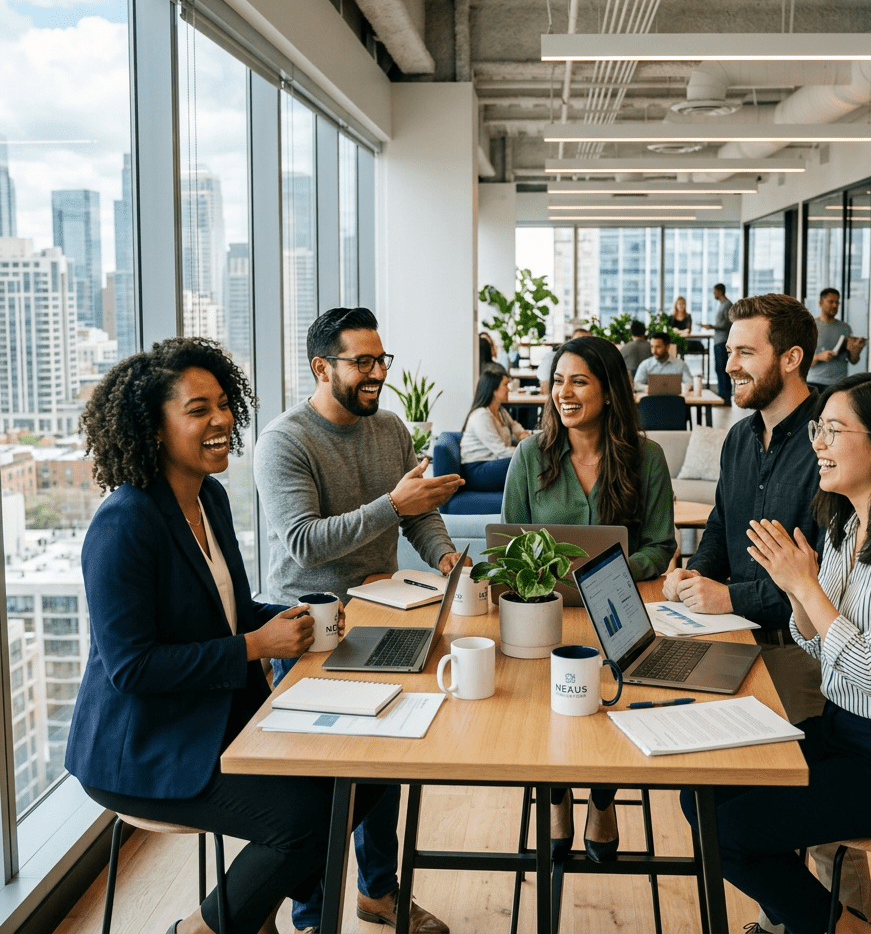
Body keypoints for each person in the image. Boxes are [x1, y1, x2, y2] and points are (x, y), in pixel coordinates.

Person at [65, 337, 390, 934]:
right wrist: (253, 647)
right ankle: (203, 928)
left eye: (223, 404)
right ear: (153, 429)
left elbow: (233, 611)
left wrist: (295, 617)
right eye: (197, 410)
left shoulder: (208, 498)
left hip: (220, 716)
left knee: (366, 773)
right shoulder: (124, 524)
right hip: (148, 746)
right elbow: (132, 668)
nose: (221, 419)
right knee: (305, 822)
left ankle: (251, 913)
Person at [680, 372, 871, 934]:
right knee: (700, 796)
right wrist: (796, 588)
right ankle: (814, 921)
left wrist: (804, 587)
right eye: (819, 429)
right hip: (840, 730)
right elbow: (813, 641)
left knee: (730, 833)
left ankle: (843, 930)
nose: (819, 444)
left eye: (834, 430)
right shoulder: (845, 524)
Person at [662, 293, 871, 931]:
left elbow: (819, 577)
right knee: (739, 797)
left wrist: (729, 598)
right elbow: (723, 531)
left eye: (744, 352)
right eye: (728, 352)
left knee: (822, 821)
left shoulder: (828, 448)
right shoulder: (738, 438)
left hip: (804, 649)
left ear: (792, 358)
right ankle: (789, 918)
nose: (730, 365)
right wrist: (693, 577)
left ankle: (846, 922)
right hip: (733, 646)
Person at [253, 307, 463, 934]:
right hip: (306, 626)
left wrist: (447, 556)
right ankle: (313, 915)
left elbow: (416, 517)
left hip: (383, 609)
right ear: (322, 367)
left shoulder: (391, 429)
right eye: (362, 363)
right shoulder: (284, 441)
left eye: (381, 361)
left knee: (385, 762)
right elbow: (303, 543)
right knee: (322, 785)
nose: (377, 374)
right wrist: (390, 504)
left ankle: (377, 892)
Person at [502, 335, 676, 865]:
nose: (564, 392)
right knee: (546, 710)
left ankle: (602, 799)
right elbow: (508, 545)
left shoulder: (646, 457)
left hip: (618, 612)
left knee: (605, 707)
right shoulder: (530, 456)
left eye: (579, 380)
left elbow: (662, 546)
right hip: (542, 615)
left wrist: (614, 568)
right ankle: (557, 797)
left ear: (609, 390)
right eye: (558, 380)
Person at [460, 364, 528, 489]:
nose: (508, 389)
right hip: (477, 469)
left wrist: (522, 434)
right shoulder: (481, 416)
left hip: (493, 463)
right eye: (505, 385)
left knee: (530, 462)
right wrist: (528, 450)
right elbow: (501, 451)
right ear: (493, 389)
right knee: (527, 462)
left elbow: (514, 425)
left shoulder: (500, 411)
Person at [807, 287, 866, 392]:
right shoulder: (810, 326)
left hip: (840, 384)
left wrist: (855, 351)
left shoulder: (845, 328)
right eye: (831, 302)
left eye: (837, 302)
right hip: (815, 383)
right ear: (820, 303)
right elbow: (802, 361)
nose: (835, 305)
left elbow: (853, 360)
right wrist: (819, 357)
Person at [701, 282, 733, 406]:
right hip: (718, 340)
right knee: (718, 369)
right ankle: (721, 397)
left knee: (723, 370)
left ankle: (726, 398)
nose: (714, 294)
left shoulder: (727, 305)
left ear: (719, 292)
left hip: (723, 341)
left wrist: (712, 327)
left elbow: (729, 324)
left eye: (714, 292)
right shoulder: (721, 305)